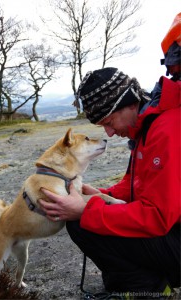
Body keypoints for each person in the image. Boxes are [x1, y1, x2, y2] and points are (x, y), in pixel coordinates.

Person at [39, 66, 181, 299]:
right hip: (173, 233)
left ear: (130, 103)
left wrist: (87, 209)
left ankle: (149, 291)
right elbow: (137, 184)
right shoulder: (148, 124)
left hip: (174, 236)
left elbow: (158, 216)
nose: (110, 133)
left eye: (109, 121)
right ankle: (141, 285)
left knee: (84, 221)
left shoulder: (167, 129)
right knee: (83, 219)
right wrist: (98, 195)